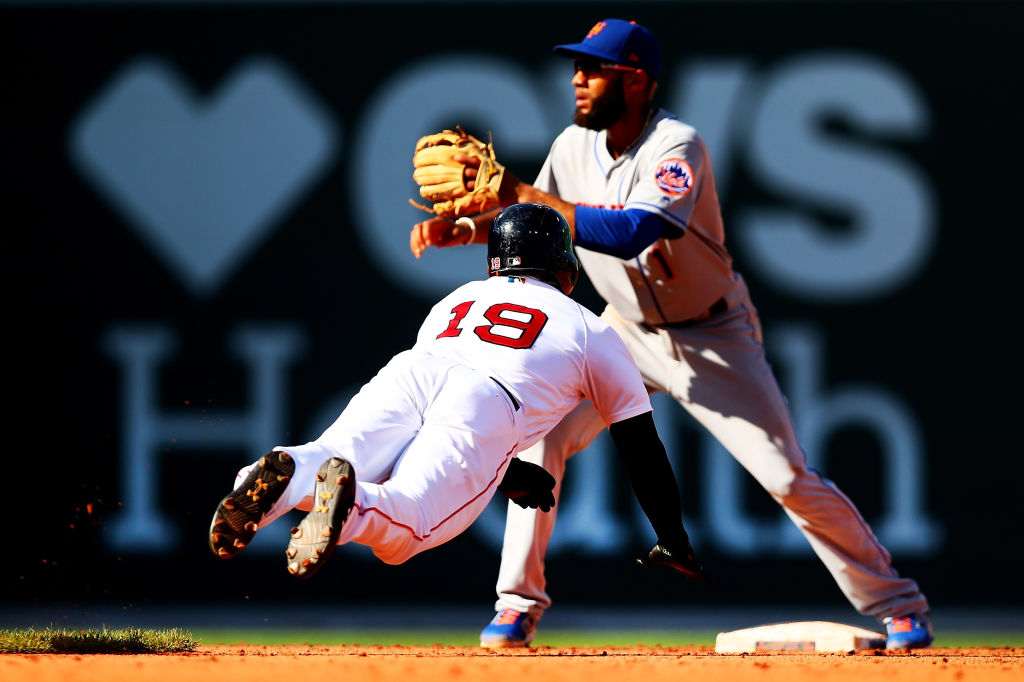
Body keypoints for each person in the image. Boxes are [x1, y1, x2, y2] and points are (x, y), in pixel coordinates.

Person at [409, 19, 933, 650]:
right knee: (539, 434)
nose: (577, 78)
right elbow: (539, 220)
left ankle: (899, 604)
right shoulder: (573, 147)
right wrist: (463, 231)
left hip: (713, 336)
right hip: (623, 330)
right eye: (577, 67)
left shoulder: (677, 145)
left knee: (788, 478)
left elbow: (633, 232)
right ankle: (516, 606)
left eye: (593, 68)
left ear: (633, 80)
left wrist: (518, 190)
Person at [209, 202, 713, 591]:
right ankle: (354, 502)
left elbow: (438, 407)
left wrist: (510, 472)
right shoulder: (591, 332)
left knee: (329, 455)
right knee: (406, 528)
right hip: (489, 401)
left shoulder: (460, 298)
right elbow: (641, 447)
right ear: (565, 266)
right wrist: (673, 537)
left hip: (412, 370)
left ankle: (280, 470)